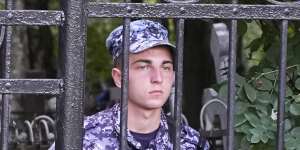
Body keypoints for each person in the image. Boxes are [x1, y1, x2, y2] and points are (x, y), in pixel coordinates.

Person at [50, 19, 210, 150]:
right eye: (144, 66)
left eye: (165, 67)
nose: (158, 78)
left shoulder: (191, 143)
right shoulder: (80, 139)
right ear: (119, 78)